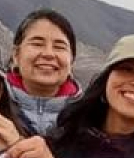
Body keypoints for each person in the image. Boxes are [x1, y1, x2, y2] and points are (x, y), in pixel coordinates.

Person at [6, 7, 81, 136]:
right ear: (16, 55)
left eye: (59, 47)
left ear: (71, 60)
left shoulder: (88, 117)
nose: (48, 54)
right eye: (37, 44)